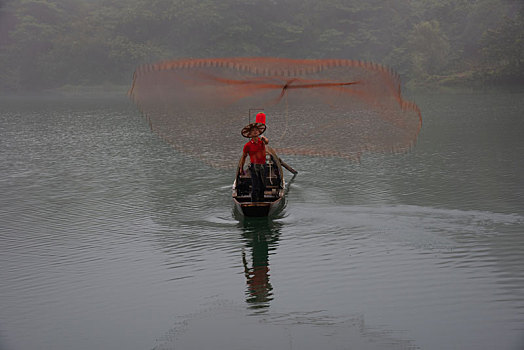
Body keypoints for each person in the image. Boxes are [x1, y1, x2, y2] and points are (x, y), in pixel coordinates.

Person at [239, 122, 268, 202]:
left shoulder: (262, 141)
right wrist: (241, 168)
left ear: (259, 132)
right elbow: (244, 157)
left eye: (256, 130)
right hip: (254, 167)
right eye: (253, 131)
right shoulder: (247, 145)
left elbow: (267, 142)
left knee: (263, 186)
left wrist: (264, 138)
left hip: (263, 165)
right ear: (250, 134)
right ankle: (254, 203)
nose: (255, 131)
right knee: (255, 187)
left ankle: (262, 202)